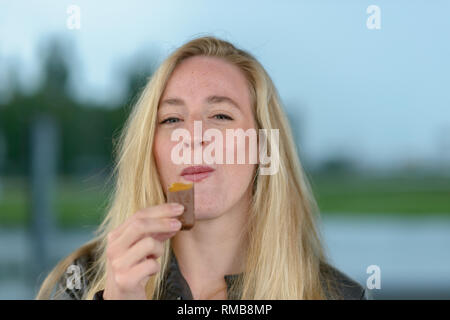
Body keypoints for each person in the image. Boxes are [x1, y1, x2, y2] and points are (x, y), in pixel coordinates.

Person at [36, 36, 369, 300]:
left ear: (263, 146)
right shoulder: (82, 281)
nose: (194, 137)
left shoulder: (337, 296)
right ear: (151, 151)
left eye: (221, 116)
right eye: (172, 119)